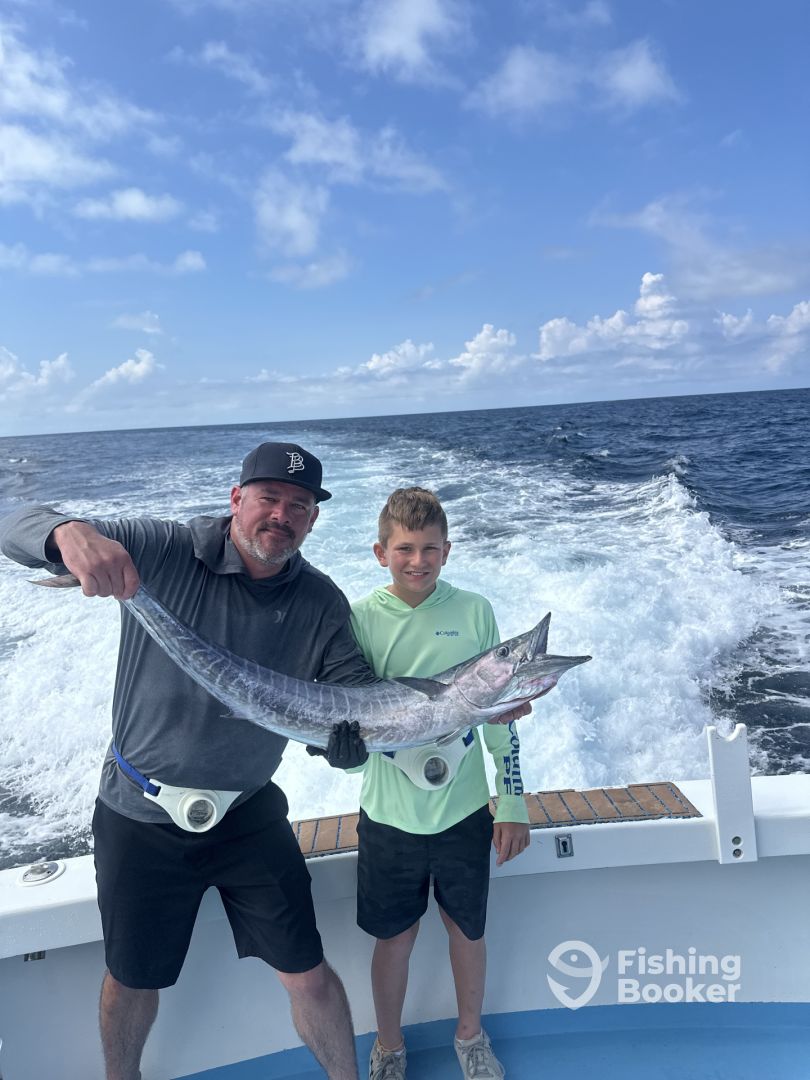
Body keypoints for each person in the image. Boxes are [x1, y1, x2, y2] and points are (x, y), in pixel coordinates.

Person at [0, 442, 373, 1080]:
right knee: (131, 978)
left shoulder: (321, 602)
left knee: (308, 975)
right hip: (139, 812)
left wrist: (343, 743)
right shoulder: (166, 549)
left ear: (313, 519)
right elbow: (13, 523)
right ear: (236, 499)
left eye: (299, 506)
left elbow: (348, 702)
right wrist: (69, 533)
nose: (281, 515)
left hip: (248, 814)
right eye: (269, 498)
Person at [348, 487, 531, 1080]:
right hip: (388, 814)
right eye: (405, 549)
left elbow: (499, 716)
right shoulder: (359, 619)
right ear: (381, 552)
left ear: (447, 551)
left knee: (466, 931)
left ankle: (470, 1037)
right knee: (394, 940)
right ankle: (389, 1047)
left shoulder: (475, 611)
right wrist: (344, 759)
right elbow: (351, 725)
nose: (417, 561)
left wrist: (512, 802)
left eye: (430, 549)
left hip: (464, 809)